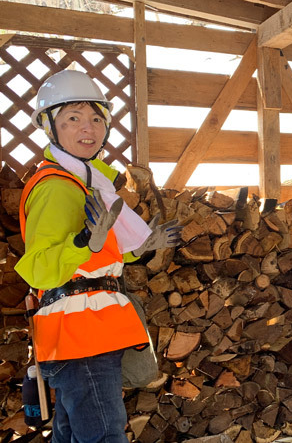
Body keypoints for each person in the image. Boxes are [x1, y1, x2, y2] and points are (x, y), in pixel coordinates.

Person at [16, 69, 182, 442]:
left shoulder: (88, 181)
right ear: (49, 127)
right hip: (80, 335)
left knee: (73, 432)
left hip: (86, 333)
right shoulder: (57, 188)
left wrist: (141, 246)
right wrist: (83, 243)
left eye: (95, 118)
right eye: (71, 118)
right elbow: (42, 271)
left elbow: (100, 258)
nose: (87, 127)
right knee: (104, 435)